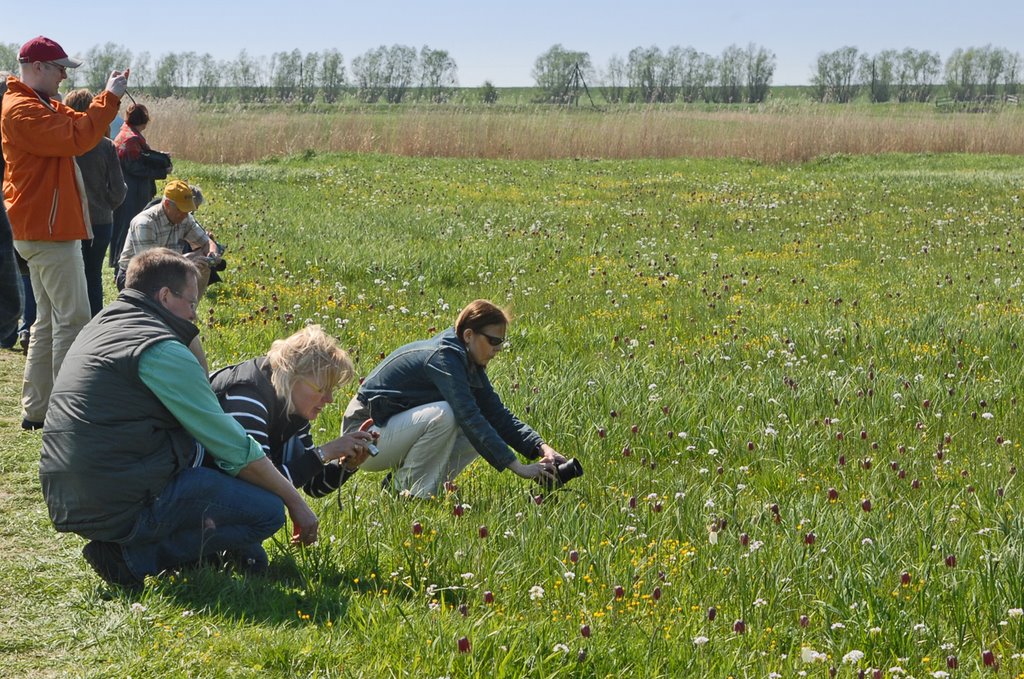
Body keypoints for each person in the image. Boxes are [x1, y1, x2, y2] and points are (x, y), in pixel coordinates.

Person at [39, 248, 320, 589]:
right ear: (164, 296)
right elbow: (231, 446)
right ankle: (129, 559)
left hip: (71, 491)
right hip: (118, 496)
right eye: (192, 303)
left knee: (249, 557)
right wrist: (294, 500)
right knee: (266, 511)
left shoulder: (104, 324)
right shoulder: (160, 349)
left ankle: (199, 553)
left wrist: (186, 330)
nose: (194, 315)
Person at [2, 36, 127, 430]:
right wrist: (109, 98)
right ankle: (69, 412)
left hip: (43, 228)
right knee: (74, 319)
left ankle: (38, 409)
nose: (63, 77)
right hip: (48, 231)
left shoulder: (35, 104)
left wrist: (105, 100)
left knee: (49, 321)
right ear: (37, 67)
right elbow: (77, 138)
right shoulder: (22, 109)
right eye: (59, 69)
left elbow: (76, 123)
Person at [341, 299, 567, 498]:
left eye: (502, 342)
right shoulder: (444, 359)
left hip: (387, 431)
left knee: (483, 426)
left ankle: (413, 488)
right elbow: (467, 413)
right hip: (362, 437)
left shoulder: (466, 361)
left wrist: (541, 447)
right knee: (447, 414)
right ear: (468, 335)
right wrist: (520, 468)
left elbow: (497, 414)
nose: (498, 349)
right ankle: (405, 492)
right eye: (494, 341)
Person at [209, 325, 375, 497]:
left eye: (332, 389)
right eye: (322, 389)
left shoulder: (291, 404)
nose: (329, 399)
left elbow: (313, 484)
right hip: (194, 488)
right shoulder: (248, 398)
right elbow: (260, 485)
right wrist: (324, 452)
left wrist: (345, 464)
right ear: (292, 377)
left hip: (218, 489)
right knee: (269, 507)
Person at [63, 88, 127, 316]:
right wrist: (106, 204)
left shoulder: (64, 144)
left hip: (70, 221)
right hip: (101, 222)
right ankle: (95, 324)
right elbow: (119, 190)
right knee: (93, 275)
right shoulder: (106, 145)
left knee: (70, 277)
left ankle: (71, 321)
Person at [116, 179, 221, 297]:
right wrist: (186, 262)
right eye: (181, 210)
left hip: (168, 269)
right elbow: (150, 267)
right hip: (137, 276)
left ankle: (187, 311)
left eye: (187, 210)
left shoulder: (185, 217)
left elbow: (206, 241)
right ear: (166, 204)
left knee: (202, 263)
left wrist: (212, 254)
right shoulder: (145, 223)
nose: (185, 215)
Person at [110, 103, 172, 268]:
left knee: (122, 226)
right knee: (131, 228)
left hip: (125, 189)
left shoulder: (125, 131)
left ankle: (122, 263)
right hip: (134, 193)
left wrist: (158, 156)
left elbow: (141, 156)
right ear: (143, 121)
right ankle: (126, 265)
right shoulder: (132, 138)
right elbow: (135, 167)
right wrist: (162, 171)